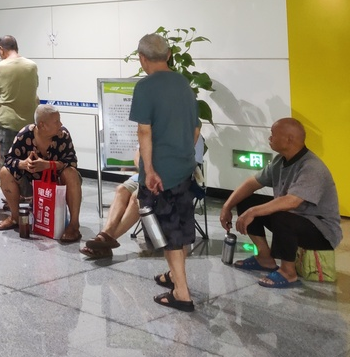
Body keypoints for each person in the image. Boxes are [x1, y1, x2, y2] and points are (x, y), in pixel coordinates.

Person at [219, 117, 342, 289]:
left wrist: (253, 212)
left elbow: (292, 202)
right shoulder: (279, 161)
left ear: (289, 139)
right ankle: (265, 258)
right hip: (296, 220)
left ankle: (288, 273)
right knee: (248, 200)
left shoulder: (312, 167)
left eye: (273, 134)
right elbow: (251, 183)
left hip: (322, 231)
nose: (269, 138)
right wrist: (227, 206)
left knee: (281, 214)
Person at [129, 32, 200, 312]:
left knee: (169, 232)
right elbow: (196, 129)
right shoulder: (184, 84)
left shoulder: (145, 88)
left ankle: (182, 293)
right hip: (184, 168)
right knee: (182, 226)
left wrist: (150, 170)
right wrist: (183, 155)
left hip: (161, 174)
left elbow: (144, 131)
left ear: (142, 58)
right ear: (169, 55)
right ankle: (173, 276)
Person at [0, 104, 82, 242]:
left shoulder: (63, 135)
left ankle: (74, 225)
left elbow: (72, 162)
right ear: (42, 125)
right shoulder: (25, 134)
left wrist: (49, 165)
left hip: (56, 184)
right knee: (5, 172)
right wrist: (23, 164)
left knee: (71, 173)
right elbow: (9, 159)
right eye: (56, 121)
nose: (61, 124)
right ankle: (15, 217)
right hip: (31, 184)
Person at [0, 35, 39, 172]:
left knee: (8, 164)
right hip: (29, 124)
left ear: (1, 49)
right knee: (29, 163)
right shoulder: (32, 66)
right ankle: (27, 193)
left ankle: (11, 193)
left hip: (8, 123)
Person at [81, 171, 140, 258]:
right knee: (121, 189)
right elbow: (138, 159)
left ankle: (105, 240)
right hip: (144, 176)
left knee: (136, 197)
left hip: (163, 179)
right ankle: (106, 234)